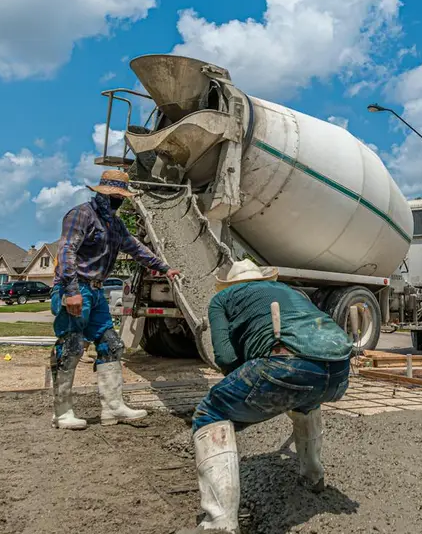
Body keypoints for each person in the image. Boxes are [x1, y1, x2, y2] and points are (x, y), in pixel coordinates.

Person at [180, 259, 353, 533]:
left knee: (209, 413)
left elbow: (224, 356)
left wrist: (247, 381)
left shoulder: (222, 298)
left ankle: (218, 523)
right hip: (340, 371)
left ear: (232, 283)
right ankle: (312, 475)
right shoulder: (290, 291)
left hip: (285, 365)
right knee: (305, 404)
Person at [50, 169, 178, 431]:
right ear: (102, 194)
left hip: (96, 291)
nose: (117, 200)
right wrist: (71, 290)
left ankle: (112, 406)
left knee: (111, 343)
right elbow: (66, 251)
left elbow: (135, 247)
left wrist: (164, 268)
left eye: (120, 196)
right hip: (76, 288)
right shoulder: (81, 215)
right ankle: (62, 412)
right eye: (114, 196)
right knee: (72, 345)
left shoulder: (115, 225)